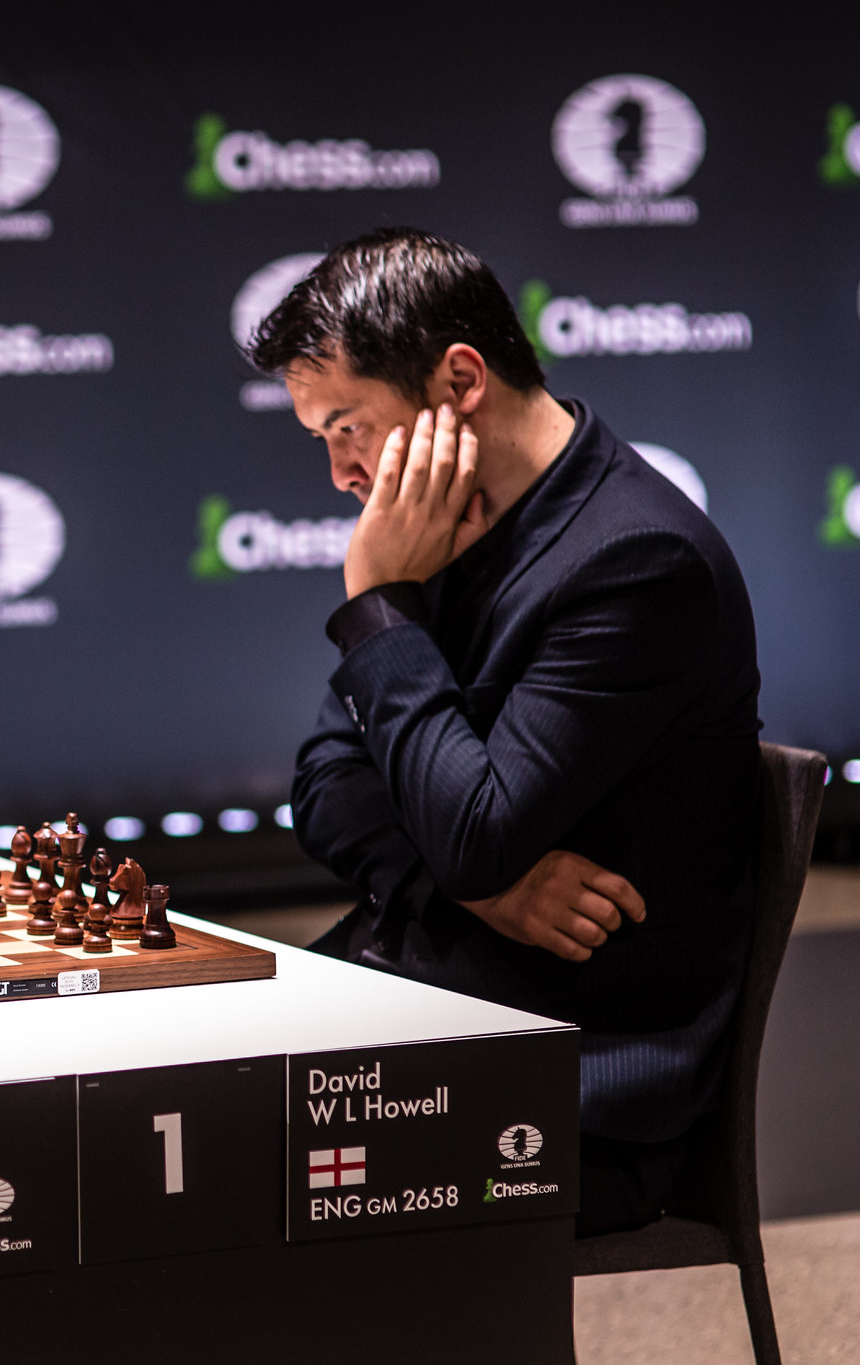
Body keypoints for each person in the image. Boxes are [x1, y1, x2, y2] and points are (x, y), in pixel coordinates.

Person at [248, 228, 761, 1238]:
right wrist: (476, 887)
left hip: (576, 1078)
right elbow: (326, 785)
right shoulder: (448, 524)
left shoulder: (638, 563)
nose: (341, 473)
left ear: (459, 381)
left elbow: (475, 830)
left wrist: (376, 602)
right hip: (437, 989)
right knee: (155, 1107)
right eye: (322, 441)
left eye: (347, 427)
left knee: (201, 1170)